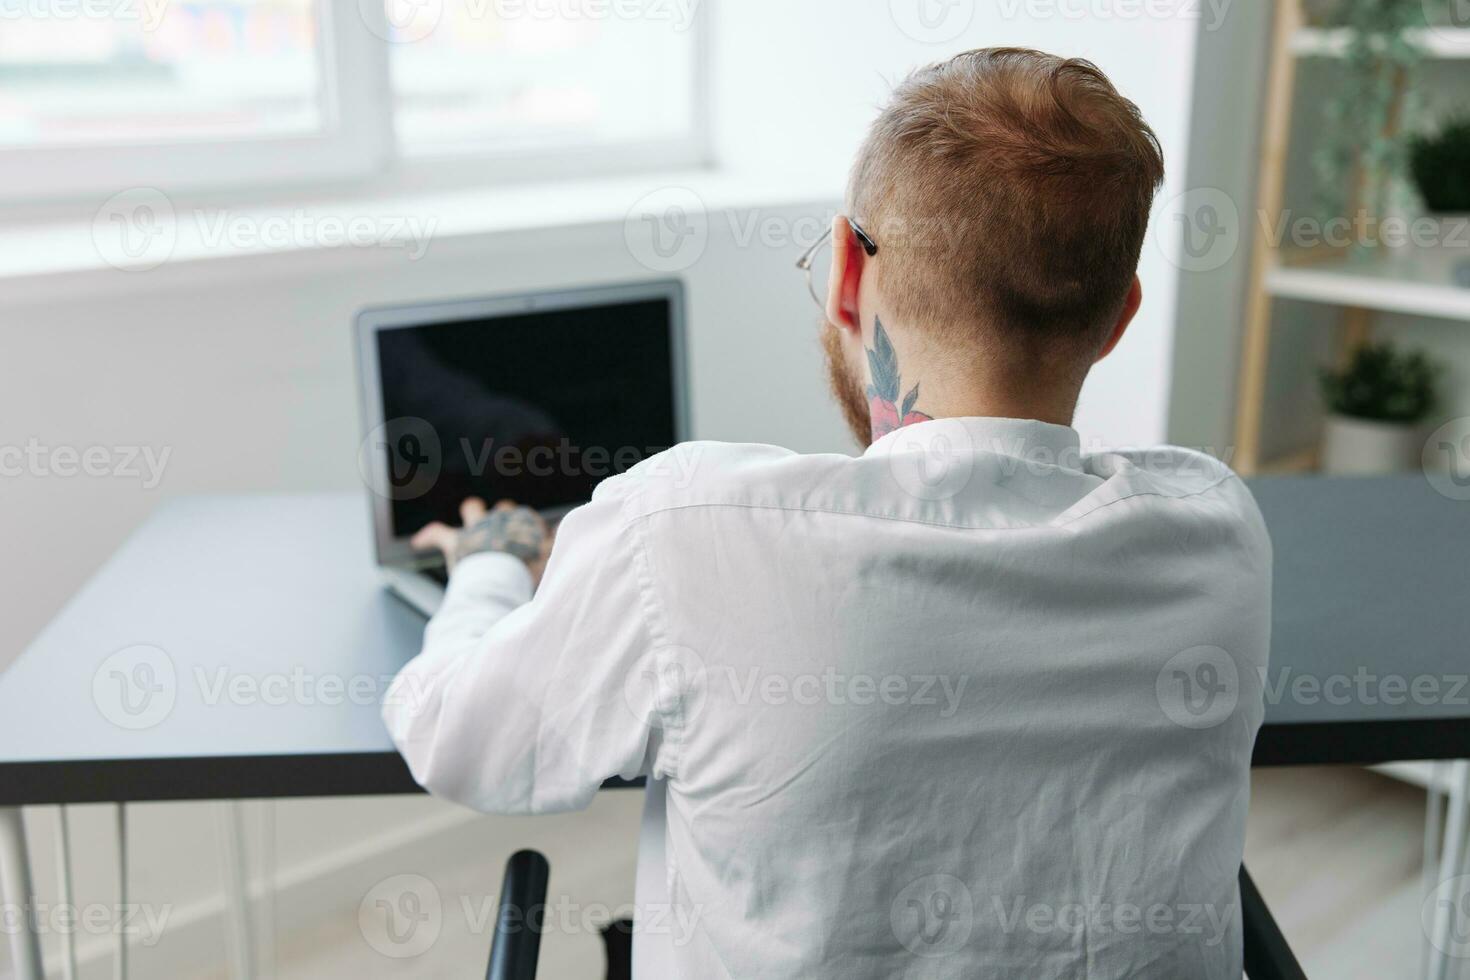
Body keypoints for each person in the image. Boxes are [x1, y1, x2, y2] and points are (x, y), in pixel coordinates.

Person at [384, 47, 1271, 979]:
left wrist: (488, 562)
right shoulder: (1215, 527)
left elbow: (457, 737)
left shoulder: (686, 533)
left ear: (847, 269)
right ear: (1118, 317)